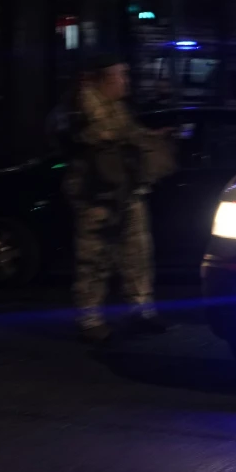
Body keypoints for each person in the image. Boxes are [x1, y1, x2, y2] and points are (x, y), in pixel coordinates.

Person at [66, 52, 166, 344]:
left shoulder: (117, 107)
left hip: (125, 191)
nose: (126, 82)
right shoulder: (85, 106)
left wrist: (152, 138)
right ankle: (90, 320)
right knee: (94, 259)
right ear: (106, 79)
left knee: (137, 254)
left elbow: (131, 134)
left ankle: (140, 310)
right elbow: (100, 138)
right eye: (121, 75)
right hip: (98, 195)